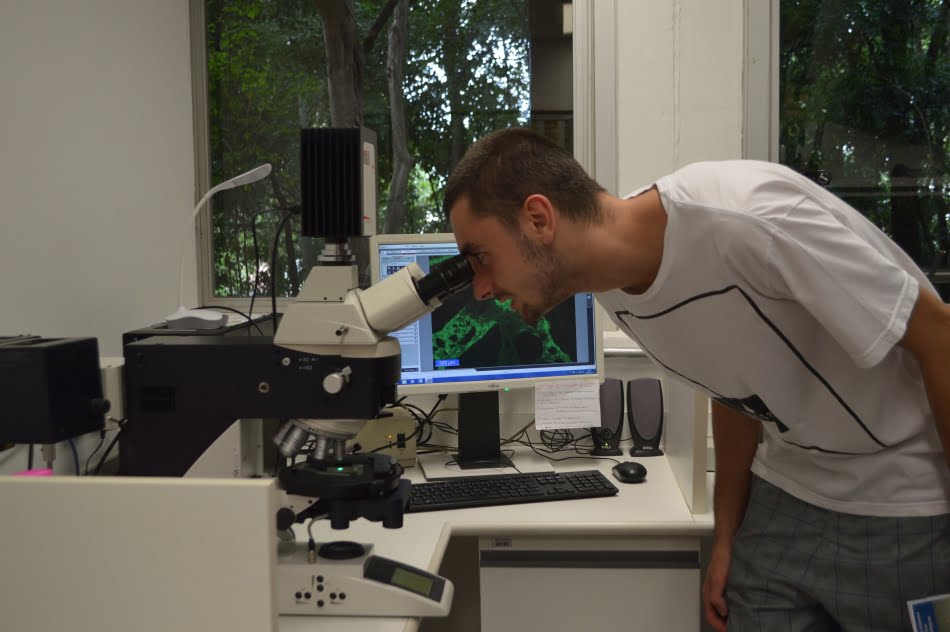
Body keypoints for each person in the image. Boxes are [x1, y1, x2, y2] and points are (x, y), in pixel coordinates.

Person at [442, 127, 950, 631]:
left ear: (538, 218)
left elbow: (939, 337)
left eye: (480, 257)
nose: (480, 289)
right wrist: (725, 538)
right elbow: (732, 385)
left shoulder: (747, 217)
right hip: (788, 488)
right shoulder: (612, 287)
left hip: (902, 495)